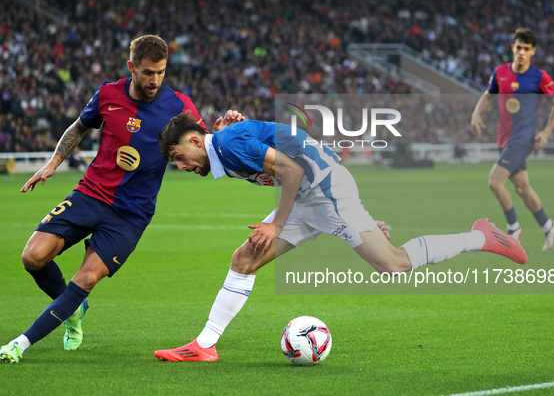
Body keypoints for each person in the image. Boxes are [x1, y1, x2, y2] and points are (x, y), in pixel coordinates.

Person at [152, 113, 527, 362]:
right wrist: (236, 124)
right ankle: (204, 346)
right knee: (244, 260)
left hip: (324, 190)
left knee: (393, 264)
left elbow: (292, 169)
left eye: (178, 155)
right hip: (308, 196)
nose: (181, 166)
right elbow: (266, 141)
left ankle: (481, 236)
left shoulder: (228, 144)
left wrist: (278, 224)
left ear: (196, 141)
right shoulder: (224, 144)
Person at [0, 35, 242, 363]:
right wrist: (53, 163)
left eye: (160, 72)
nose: (154, 80)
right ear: (131, 68)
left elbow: (202, 144)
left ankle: (21, 343)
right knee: (33, 257)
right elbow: (79, 127)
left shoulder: (178, 106)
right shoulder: (108, 94)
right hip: (90, 193)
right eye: (147, 72)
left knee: (85, 277)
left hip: (131, 214)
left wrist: (223, 131)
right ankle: (73, 308)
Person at [471, 27, 554, 250]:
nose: (521, 52)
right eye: (518, 47)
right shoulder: (500, 72)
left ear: (533, 52)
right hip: (505, 139)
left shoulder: (540, 77)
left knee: (495, 182)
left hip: (522, 139)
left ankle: (513, 228)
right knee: (522, 188)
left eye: (526, 49)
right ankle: (549, 226)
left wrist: (547, 131)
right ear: (513, 48)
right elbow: (488, 96)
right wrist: (476, 113)